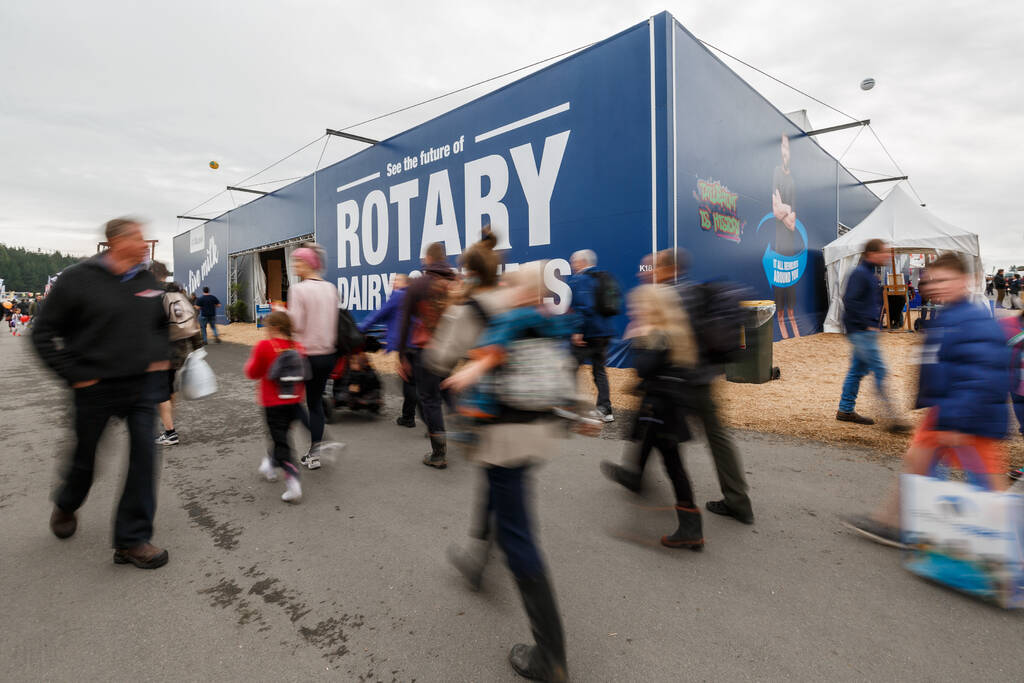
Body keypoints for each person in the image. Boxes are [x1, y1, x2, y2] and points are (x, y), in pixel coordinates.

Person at [442, 263, 573, 682]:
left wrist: (471, 371)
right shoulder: (548, 323)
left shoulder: (510, 320)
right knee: (500, 496)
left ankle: (550, 656)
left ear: (523, 290)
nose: (505, 288)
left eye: (511, 283)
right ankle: (477, 562)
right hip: (536, 435)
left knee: (519, 539)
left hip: (505, 440)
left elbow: (491, 353)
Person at [842, 253, 1011, 546]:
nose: (936, 287)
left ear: (965, 281)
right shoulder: (948, 317)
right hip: (945, 412)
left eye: (945, 280)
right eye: (933, 281)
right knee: (917, 463)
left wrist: (956, 421)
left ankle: (1007, 544)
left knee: (988, 484)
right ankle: (895, 523)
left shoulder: (974, 321)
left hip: (969, 418)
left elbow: (983, 376)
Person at [31, 217, 171, 569]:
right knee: (86, 459)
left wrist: (158, 357)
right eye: (138, 238)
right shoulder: (78, 279)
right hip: (94, 387)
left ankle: (131, 540)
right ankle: (67, 502)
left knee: (145, 458)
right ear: (116, 241)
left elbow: (158, 326)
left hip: (139, 386)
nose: (144, 244)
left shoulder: (145, 280)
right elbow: (42, 334)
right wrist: (73, 374)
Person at [654, 248, 755, 524]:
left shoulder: (673, 295)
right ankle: (738, 500)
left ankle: (685, 514)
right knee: (718, 438)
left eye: (657, 266)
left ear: (668, 268)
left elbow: (668, 342)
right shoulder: (695, 290)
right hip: (705, 378)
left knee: (662, 435)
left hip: (682, 381)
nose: (653, 271)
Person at [600, 284, 704, 549]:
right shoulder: (673, 331)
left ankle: (691, 528)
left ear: (654, 308)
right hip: (663, 409)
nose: (634, 310)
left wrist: (638, 338)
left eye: (640, 306)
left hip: (662, 412)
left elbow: (645, 368)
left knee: (673, 466)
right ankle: (633, 477)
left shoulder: (658, 335)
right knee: (652, 449)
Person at [836, 239, 907, 431]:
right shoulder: (861, 274)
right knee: (880, 370)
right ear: (872, 254)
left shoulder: (868, 274)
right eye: (884, 252)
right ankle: (893, 419)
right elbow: (850, 301)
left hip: (862, 331)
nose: (887, 256)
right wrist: (867, 324)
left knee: (856, 371)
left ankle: (845, 410)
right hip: (861, 332)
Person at [398, 242, 457, 468]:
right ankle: (467, 426)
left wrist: (402, 356)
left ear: (428, 259)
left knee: (431, 400)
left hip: (426, 350)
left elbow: (405, 322)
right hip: (450, 349)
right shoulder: (456, 282)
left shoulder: (419, 284)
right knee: (448, 390)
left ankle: (439, 454)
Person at [244, 311, 305, 503]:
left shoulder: (265, 346)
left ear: (275, 328)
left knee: (281, 441)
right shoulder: (299, 347)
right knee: (280, 436)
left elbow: (252, 372)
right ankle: (270, 464)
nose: (266, 331)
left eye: (267, 327)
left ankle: (292, 480)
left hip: (273, 403)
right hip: (294, 402)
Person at [287, 244, 339, 469]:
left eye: (297, 262)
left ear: (308, 263)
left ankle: (323, 442)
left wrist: (281, 314)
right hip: (327, 354)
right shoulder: (331, 288)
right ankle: (314, 454)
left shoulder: (298, 290)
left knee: (290, 399)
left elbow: (296, 325)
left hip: (305, 355)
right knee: (315, 402)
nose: (294, 266)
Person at [150, 261, 202, 446]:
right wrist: (197, 347)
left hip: (160, 352)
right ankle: (168, 423)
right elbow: (192, 321)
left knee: (160, 391)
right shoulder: (180, 294)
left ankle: (170, 431)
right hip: (179, 351)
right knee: (169, 388)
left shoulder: (154, 295)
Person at [359, 273, 417, 428]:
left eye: (397, 280)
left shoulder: (397, 296)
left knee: (409, 382)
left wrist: (360, 329)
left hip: (405, 345)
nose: (393, 283)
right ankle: (412, 416)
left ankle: (411, 418)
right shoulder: (413, 297)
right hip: (417, 343)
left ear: (405, 283)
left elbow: (377, 315)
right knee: (413, 380)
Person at [567, 249, 616, 422]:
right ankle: (605, 410)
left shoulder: (580, 279)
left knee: (570, 367)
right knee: (599, 371)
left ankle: (572, 407)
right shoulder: (604, 277)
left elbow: (583, 307)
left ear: (583, 262)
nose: (572, 265)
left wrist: (578, 331)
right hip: (604, 333)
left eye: (574, 261)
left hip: (588, 333)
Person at [771, 134, 801, 339]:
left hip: (790, 246)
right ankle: (780, 322)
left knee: (790, 286)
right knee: (779, 286)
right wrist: (784, 210)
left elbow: (792, 223)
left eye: (787, 147)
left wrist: (785, 208)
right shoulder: (776, 173)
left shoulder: (792, 180)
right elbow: (776, 210)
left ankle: (790, 321)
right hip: (778, 245)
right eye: (782, 146)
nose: (785, 151)